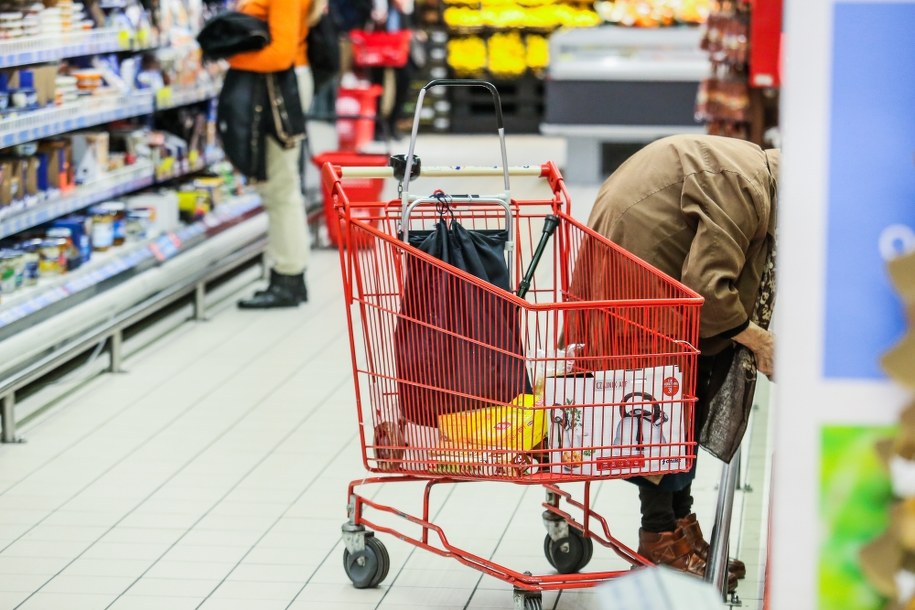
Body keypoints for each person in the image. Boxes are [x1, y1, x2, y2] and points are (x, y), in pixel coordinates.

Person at [584, 134, 779, 588]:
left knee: (681, 392)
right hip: (637, 280)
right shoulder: (747, 189)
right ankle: (659, 539)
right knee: (665, 402)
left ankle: (680, 528)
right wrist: (757, 339)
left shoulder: (755, 176)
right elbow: (710, 290)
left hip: (641, 268)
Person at [229, 0, 327, 308]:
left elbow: (280, 53)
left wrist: (229, 57)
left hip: (281, 88)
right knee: (279, 187)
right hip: (279, 86)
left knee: (281, 188)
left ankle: (288, 277)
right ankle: (288, 275)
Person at [369, 0, 415, 140]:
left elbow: (413, 16)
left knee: (404, 81)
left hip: (400, 46)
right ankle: (377, 127)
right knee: (377, 86)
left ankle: (392, 123)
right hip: (377, 44)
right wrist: (374, 15)